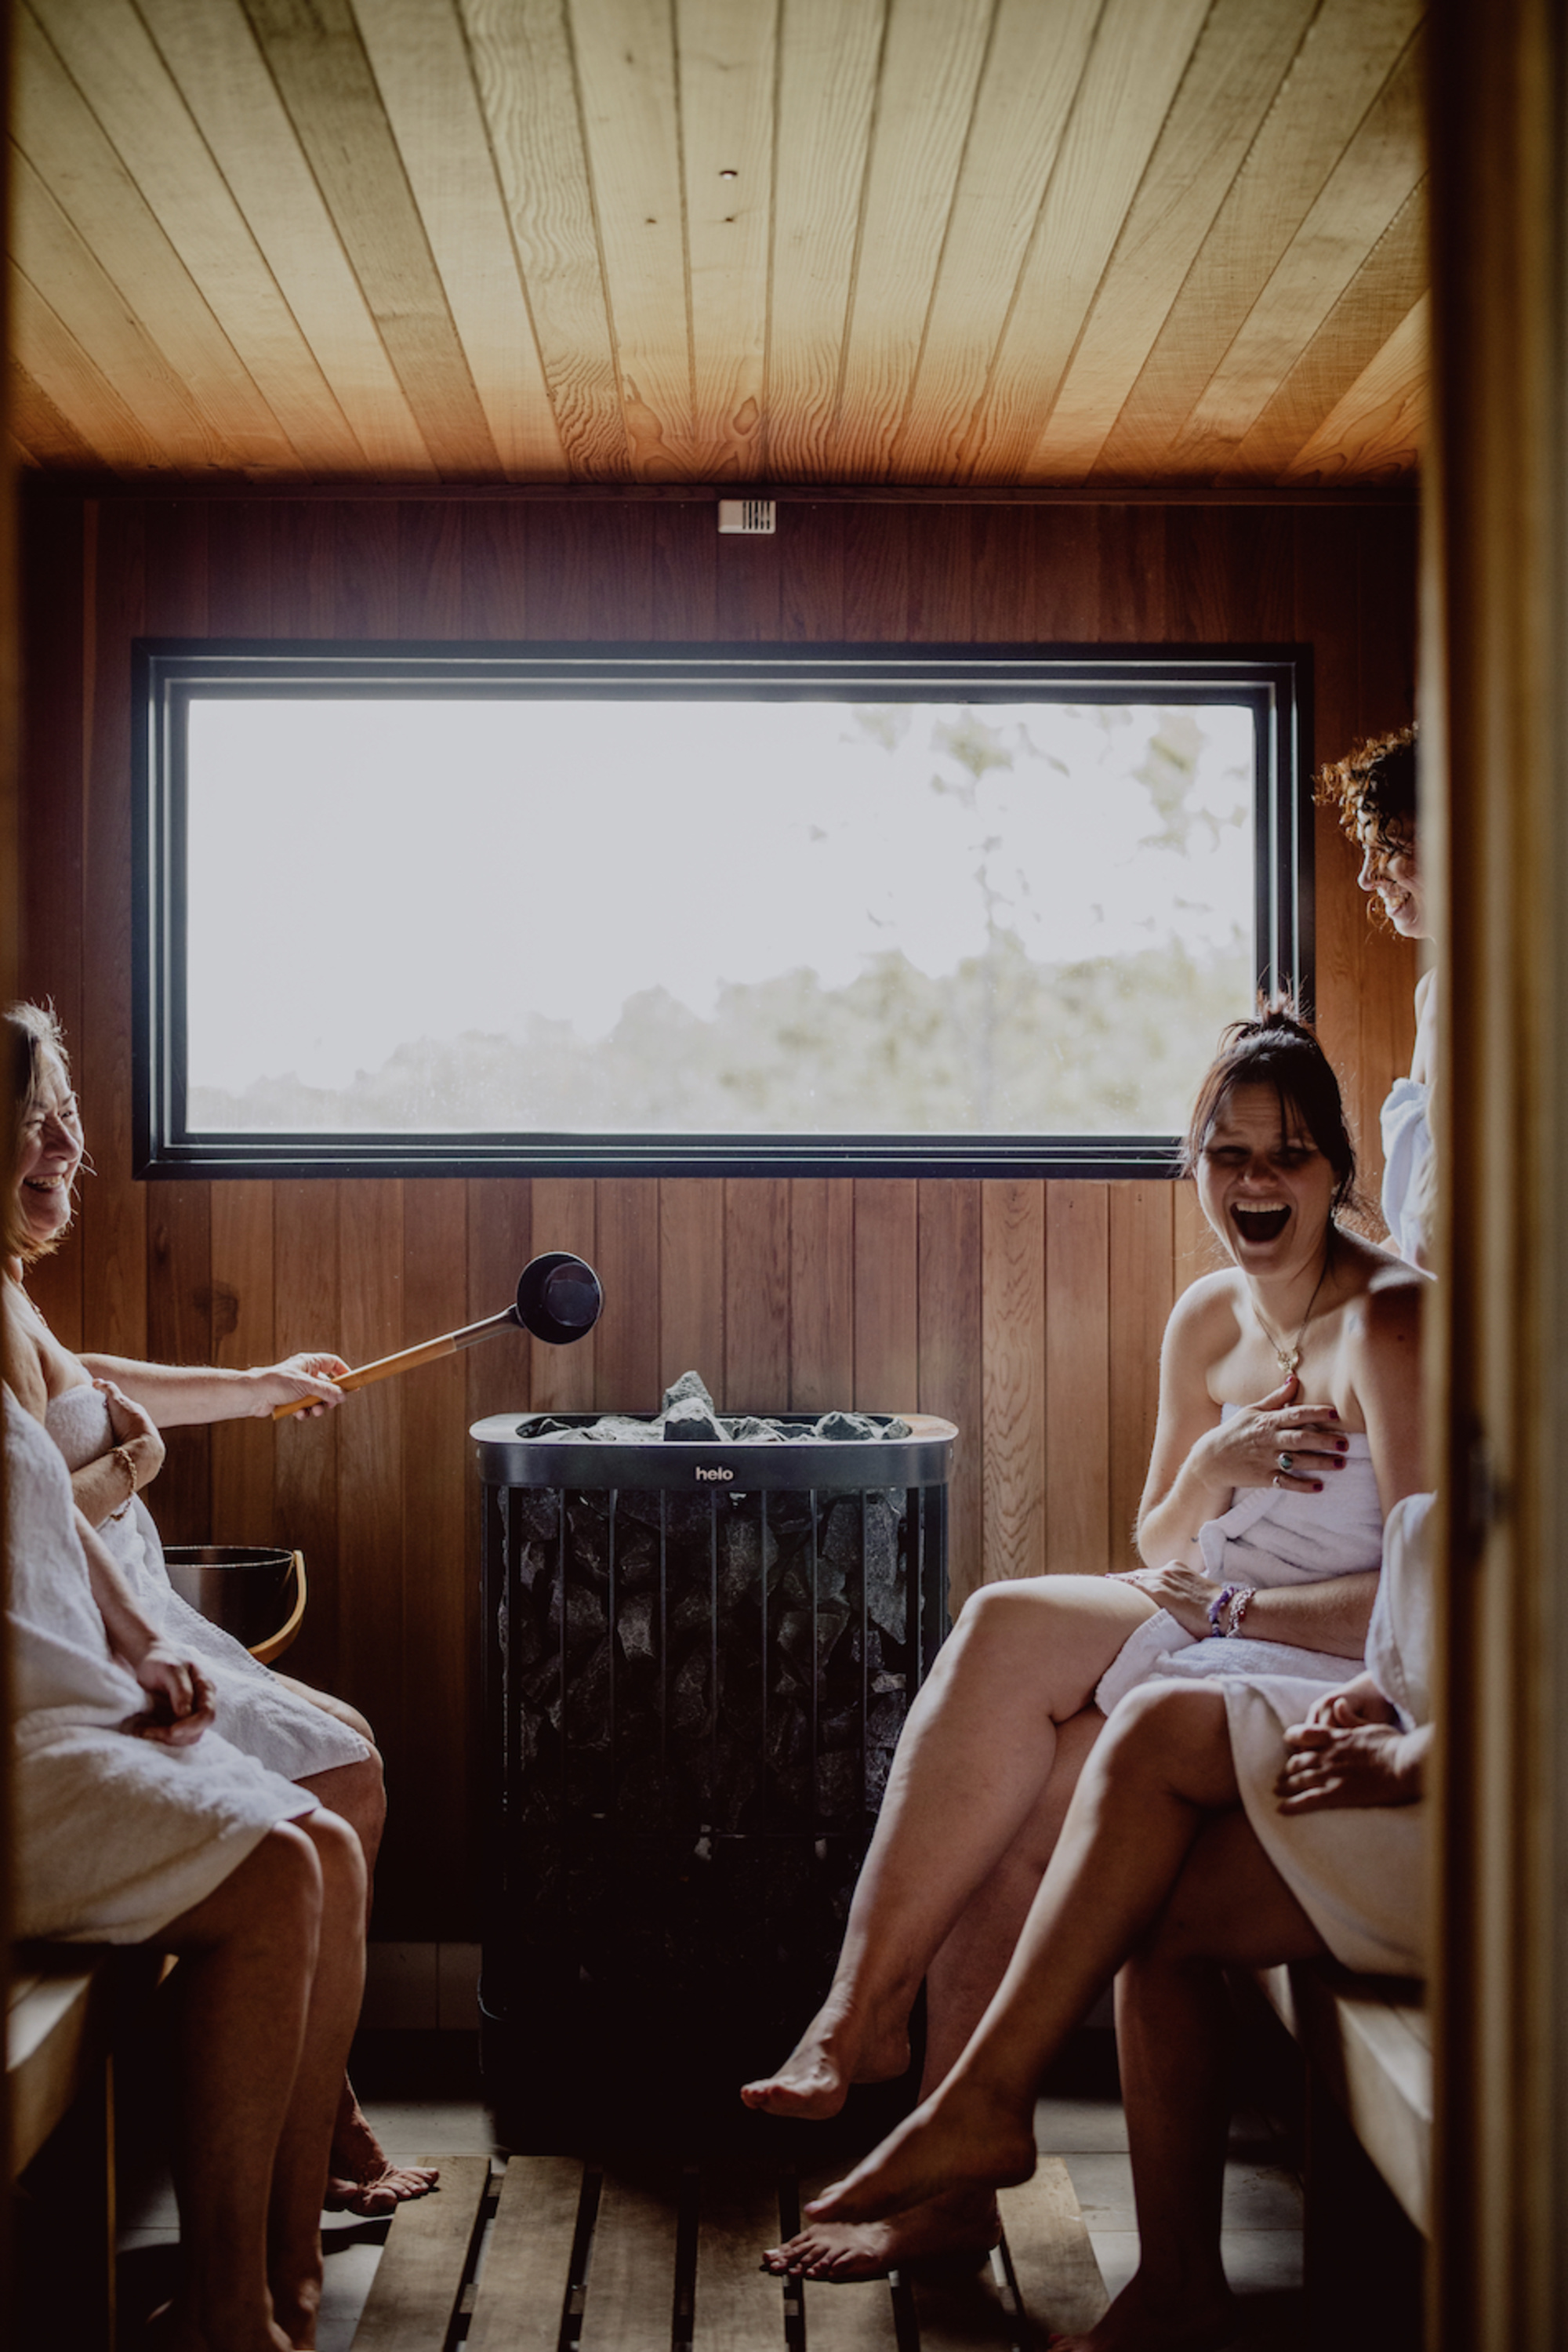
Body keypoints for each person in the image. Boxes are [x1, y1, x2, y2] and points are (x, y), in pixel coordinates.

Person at [748, 1009, 1425, 2279]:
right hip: (1200, 1616)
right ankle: (863, 2030)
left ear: (1340, 1170)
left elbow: (1426, 1605)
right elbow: (1161, 1528)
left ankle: (898, 2072)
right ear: (1196, 1170)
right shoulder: (1210, 1319)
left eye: (1287, 1154)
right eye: (1228, 1156)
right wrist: (1219, 1464)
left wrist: (1229, 1610)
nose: (1257, 1182)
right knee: (1002, 1671)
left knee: (1027, 1777)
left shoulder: (1392, 1322)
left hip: (1325, 1661)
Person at [797, 1490, 1433, 2352]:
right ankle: (1166, 2281)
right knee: (1036, 1750)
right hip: (1383, 1694)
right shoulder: (1477, 1408)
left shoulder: (1440, 1376)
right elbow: (1451, 1599)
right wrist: (1378, 1687)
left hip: (1480, 1788)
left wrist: (1408, 1747)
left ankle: (973, 2107)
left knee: (1137, 1749)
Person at [4, 1000, 434, 2217]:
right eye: (34, 1125)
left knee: (348, 1753)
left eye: (70, 1121)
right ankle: (297, 2157)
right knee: (347, 1775)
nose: (66, 1150)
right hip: (86, 1642)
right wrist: (133, 1562)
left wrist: (254, 1388)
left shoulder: (10, 1295)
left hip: (128, 1613)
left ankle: (309, 2129)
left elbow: (83, 1385)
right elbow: (42, 1493)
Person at [1319, 724, 1434, 1268]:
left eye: (1384, 848)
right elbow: (1418, 1228)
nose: (1366, 878)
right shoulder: (1432, 992)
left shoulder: (1518, 992)